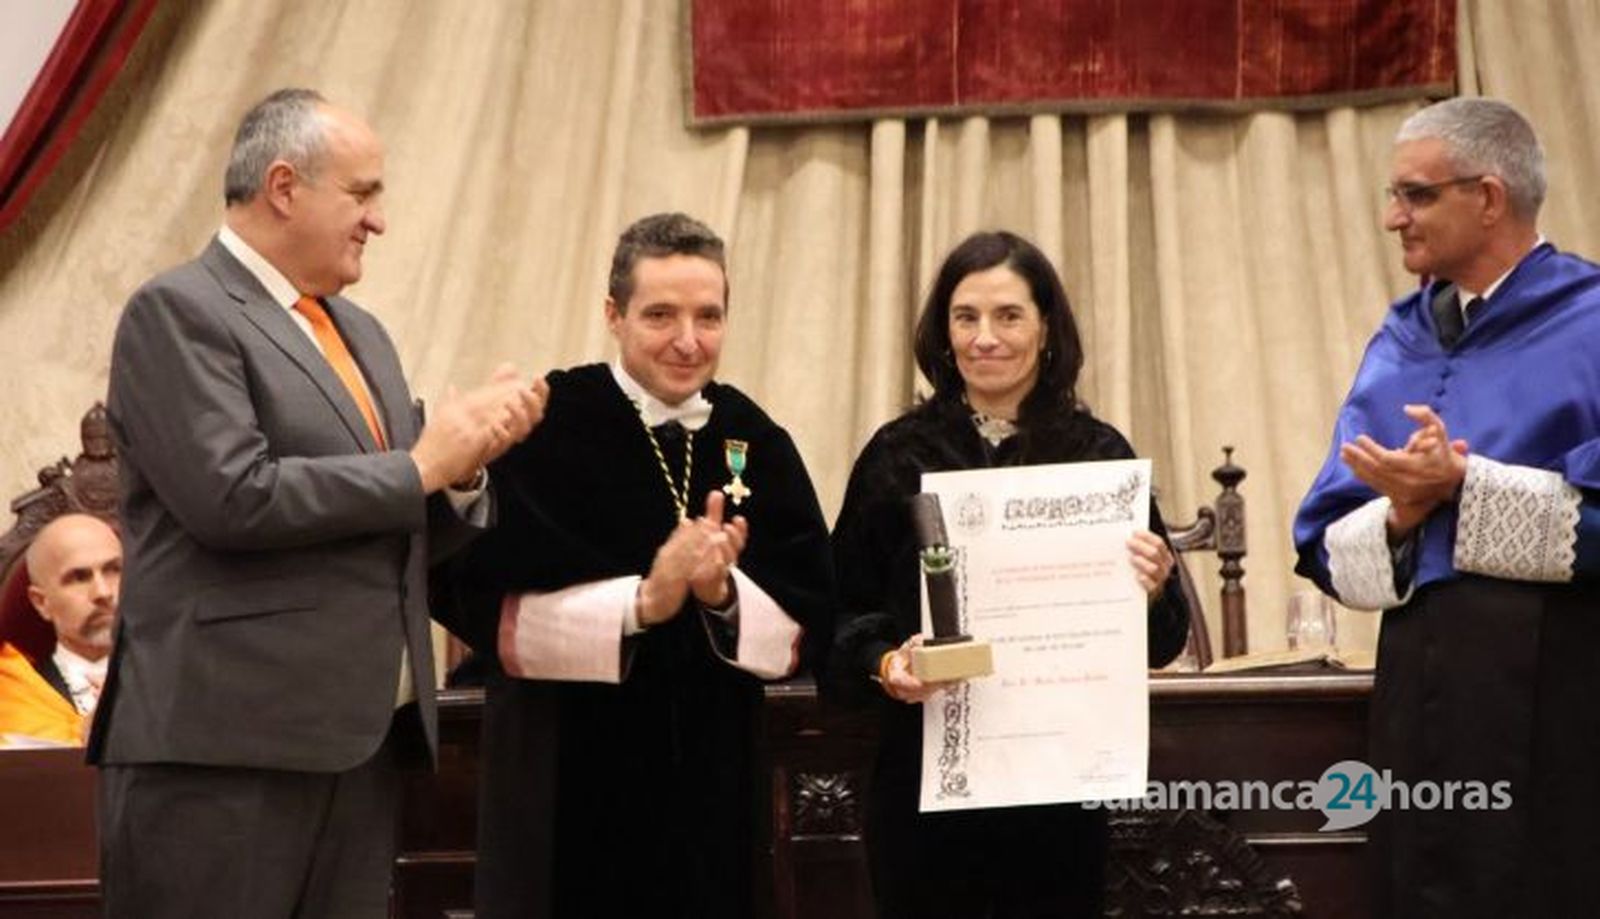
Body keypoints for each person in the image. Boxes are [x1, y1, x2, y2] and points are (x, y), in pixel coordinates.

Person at [91, 88, 546, 919]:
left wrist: (464, 473)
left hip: (357, 744)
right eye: (363, 193)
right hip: (222, 751)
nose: (379, 220)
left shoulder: (362, 331)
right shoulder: (179, 311)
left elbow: (385, 526)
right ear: (284, 186)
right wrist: (417, 467)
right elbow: (232, 496)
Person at [435, 212, 835, 919]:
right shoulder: (551, 421)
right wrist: (645, 601)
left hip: (712, 782)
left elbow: (812, 615)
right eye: (661, 315)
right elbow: (468, 589)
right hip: (564, 771)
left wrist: (720, 594)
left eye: (708, 316)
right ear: (613, 314)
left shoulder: (755, 437)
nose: (688, 340)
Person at [1292, 97, 1600, 917]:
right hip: (1418, 688)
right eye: (1394, 197)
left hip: (1563, 692)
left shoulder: (1592, 321)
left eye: (1417, 195)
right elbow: (1326, 535)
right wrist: (1400, 512)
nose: (1394, 218)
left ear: (1490, 198)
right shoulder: (1400, 337)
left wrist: (1465, 487)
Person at [828, 230, 1190, 918]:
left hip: (1057, 797)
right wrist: (885, 661)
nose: (985, 337)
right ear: (943, 332)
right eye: (966, 317)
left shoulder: (1099, 457)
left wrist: (1155, 587)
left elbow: (1164, 641)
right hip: (924, 789)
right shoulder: (897, 456)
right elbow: (840, 616)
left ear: (1047, 328)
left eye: (1008, 315)